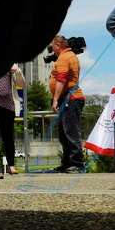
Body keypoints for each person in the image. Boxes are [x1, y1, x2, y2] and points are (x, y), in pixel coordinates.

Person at [49, 35, 85, 172]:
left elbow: (61, 79)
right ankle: (67, 162)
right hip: (68, 98)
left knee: (71, 132)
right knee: (64, 133)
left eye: (53, 46)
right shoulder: (68, 56)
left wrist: (55, 99)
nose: (52, 49)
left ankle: (77, 163)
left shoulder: (64, 58)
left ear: (58, 45)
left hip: (70, 98)